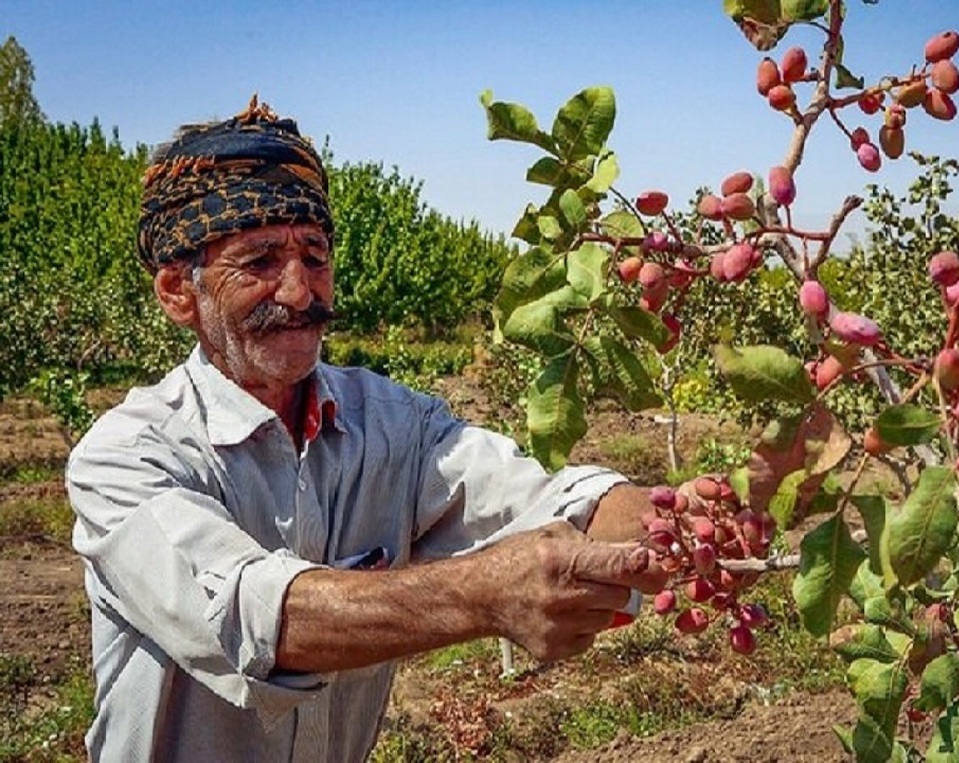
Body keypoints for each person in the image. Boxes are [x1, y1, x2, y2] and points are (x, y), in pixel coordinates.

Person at [65, 97, 670, 762]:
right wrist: (484, 593)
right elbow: (252, 617)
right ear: (180, 292)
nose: (300, 292)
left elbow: (541, 498)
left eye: (314, 256)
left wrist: (679, 523)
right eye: (260, 260)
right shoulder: (126, 456)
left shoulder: (393, 423)